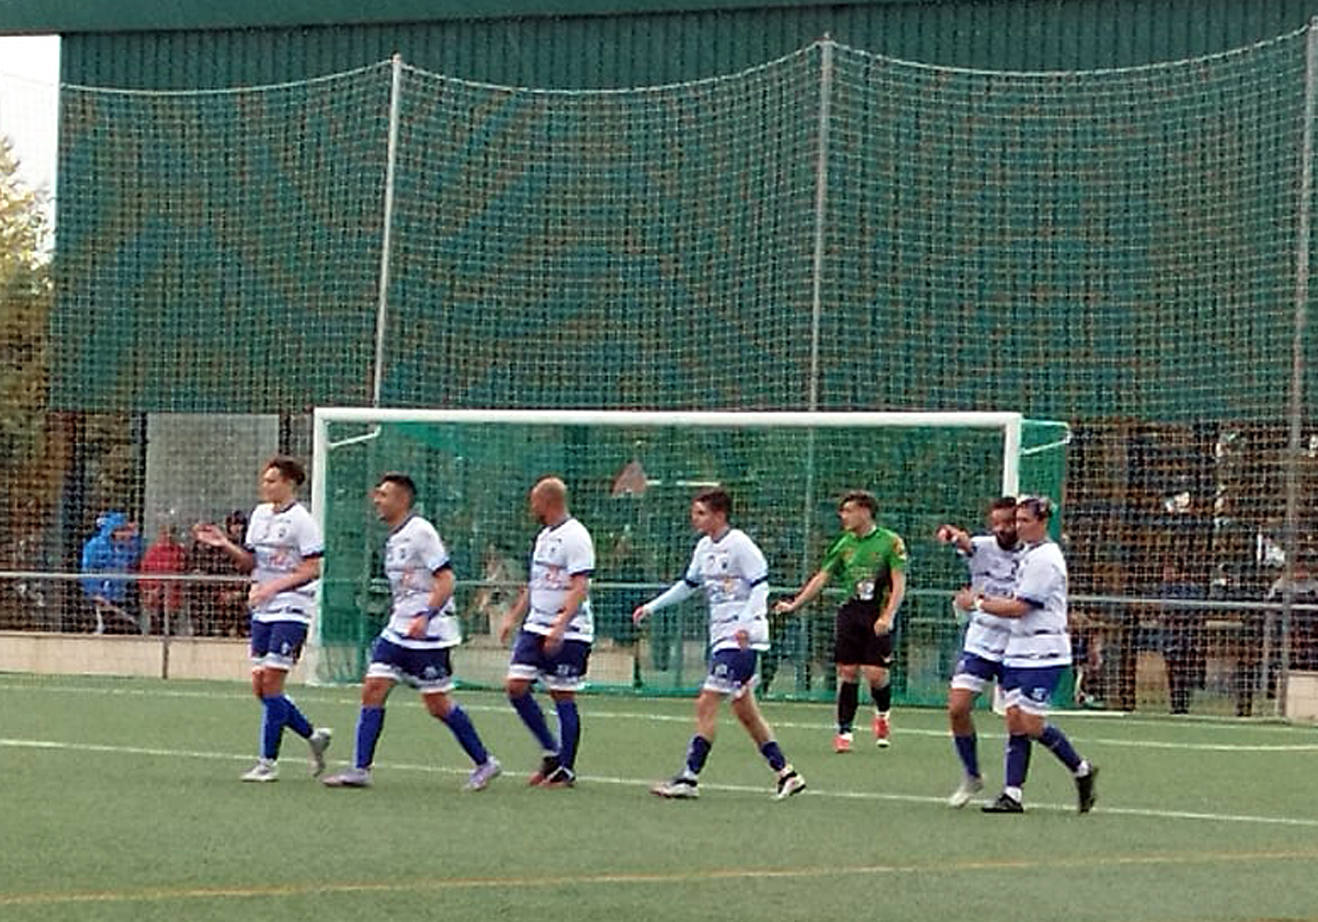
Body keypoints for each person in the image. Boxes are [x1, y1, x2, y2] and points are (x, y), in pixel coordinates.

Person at [323, 473, 502, 791]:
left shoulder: (421, 532)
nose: (377, 500)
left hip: (429, 632)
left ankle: (485, 762)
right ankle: (360, 768)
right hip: (398, 628)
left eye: (384, 494)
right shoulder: (393, 538)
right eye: (376, 494)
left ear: (403, 500)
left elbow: (447, 580)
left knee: (438, 704)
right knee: (373, 688)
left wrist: (426, 615)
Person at [635, 489, 806, 801]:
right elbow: (688, 585)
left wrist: (746, 625)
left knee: (706, 702)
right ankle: (787, 774)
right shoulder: (703, 547)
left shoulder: (740, 545)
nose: (694, 518)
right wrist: (652, 607)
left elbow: (760, 585)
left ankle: (689, 778)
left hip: (740, 639)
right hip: (721, 637)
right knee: (745, 712)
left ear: (719, 515)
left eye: (701, 513)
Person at [953, 496, 1098, 814]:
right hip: (1018, 649)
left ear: (1043, 522)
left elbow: (1020, 607)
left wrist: (977, 603)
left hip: (1043, 650)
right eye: (1016, 521)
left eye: (1025, 521)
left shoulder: (1046, 558)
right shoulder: (1029, 554)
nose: (1019, 527)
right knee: (1015, 722)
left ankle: (1082, 769)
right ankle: (1012, 794)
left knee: (1031, 724)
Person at [193, 456, 332, 783]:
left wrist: (272, 588)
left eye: (272, 480)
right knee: (261, 687)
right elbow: (250, 563)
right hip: (264, 607)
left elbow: (312, 569)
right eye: (264, 480)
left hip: (292, 607)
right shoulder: (259, 515)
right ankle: (313, 736)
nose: (265, 486)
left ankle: (267, 763)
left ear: (289, 483)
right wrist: (225, 544)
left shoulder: (302, 521)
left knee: (271, 683)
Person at [774, 491, 907, 752]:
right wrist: (795, 604)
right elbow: (822, 578)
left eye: (848, 511)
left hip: (877, 613)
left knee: (876, 675)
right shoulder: (844, 544)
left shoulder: (890, 542)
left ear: (865, 512)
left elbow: (899, 582)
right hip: (851, 612)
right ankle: (844, 731)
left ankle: (882, 714)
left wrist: (888, 615)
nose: (843, 516)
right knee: (847, 671)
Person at [498, 476, 595, 788]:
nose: (531, 507)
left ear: (548, 501)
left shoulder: (576, 537)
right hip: (535, 626)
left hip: (570, 630)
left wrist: (561, 625)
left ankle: (565, 768)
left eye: (534, 501)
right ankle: (552, 753)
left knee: (561, 693)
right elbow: (536, 583)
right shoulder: (543, 537)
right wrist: (513, 617)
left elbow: (580, 586)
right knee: (515, 686)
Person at [935, 496, 1022, 807]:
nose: (1001, 528)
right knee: (958, 708)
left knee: (1018, 719)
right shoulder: (983, 546)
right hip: (982, 641)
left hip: (1018, 643)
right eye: (996, 523)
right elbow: (964, 542)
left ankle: (1014, 789)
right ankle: (972, 776)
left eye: (1008, 522)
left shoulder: (1034, 555)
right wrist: (951, 534)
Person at [80, 511, 142, 634]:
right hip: (102, 598)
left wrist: (135, 534)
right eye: (122, 530)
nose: (126, 534)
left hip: (119, 596)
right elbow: (88, 571)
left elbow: (137, 551)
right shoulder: (96, 546)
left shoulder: (125, 547)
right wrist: (95, 592)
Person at [190, 510, 250, 637]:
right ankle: (203, 628)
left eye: (240, 525)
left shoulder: (246, 545)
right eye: (234, 525)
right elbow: (214, 568)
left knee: (234, 601)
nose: (237, 528)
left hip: (240, 588)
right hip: (218, 587)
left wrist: (237, 590)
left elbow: (247, 569)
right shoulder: (215, 548)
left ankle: (236, 629)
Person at [140, 521, 189, 636]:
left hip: (171, 596)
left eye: (171, 533)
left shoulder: (179, 553)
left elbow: (181, 573)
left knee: (170, 625)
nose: (168, 536)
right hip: (155, 596)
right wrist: (148, 592)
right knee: (156, 624)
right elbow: (144, 573)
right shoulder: (152, 552)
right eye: (165, 533)